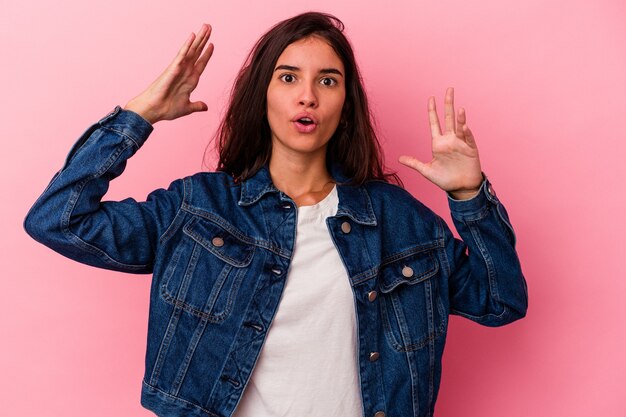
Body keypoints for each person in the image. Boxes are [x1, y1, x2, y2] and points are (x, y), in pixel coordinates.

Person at [24, 11, 527, 417]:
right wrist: (139, 116)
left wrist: (469, 195)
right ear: (263, 93)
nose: (308, 94)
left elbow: (501, 301)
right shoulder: (199, 208)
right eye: (289, 77)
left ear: (345, 104)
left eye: (327, 81)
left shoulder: (397, 221)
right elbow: (57, 219)